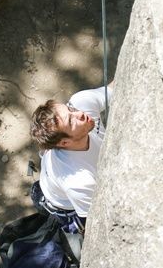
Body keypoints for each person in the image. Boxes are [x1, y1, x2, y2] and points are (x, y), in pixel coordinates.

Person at [30, 83, 113, 234]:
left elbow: (117, 86)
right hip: (63, 205)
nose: (79, 114)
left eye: (70, 109)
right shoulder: (79, 182)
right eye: (70, 121)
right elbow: (97, 221)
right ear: (64, 142)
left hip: (54, 183)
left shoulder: (81, 103)